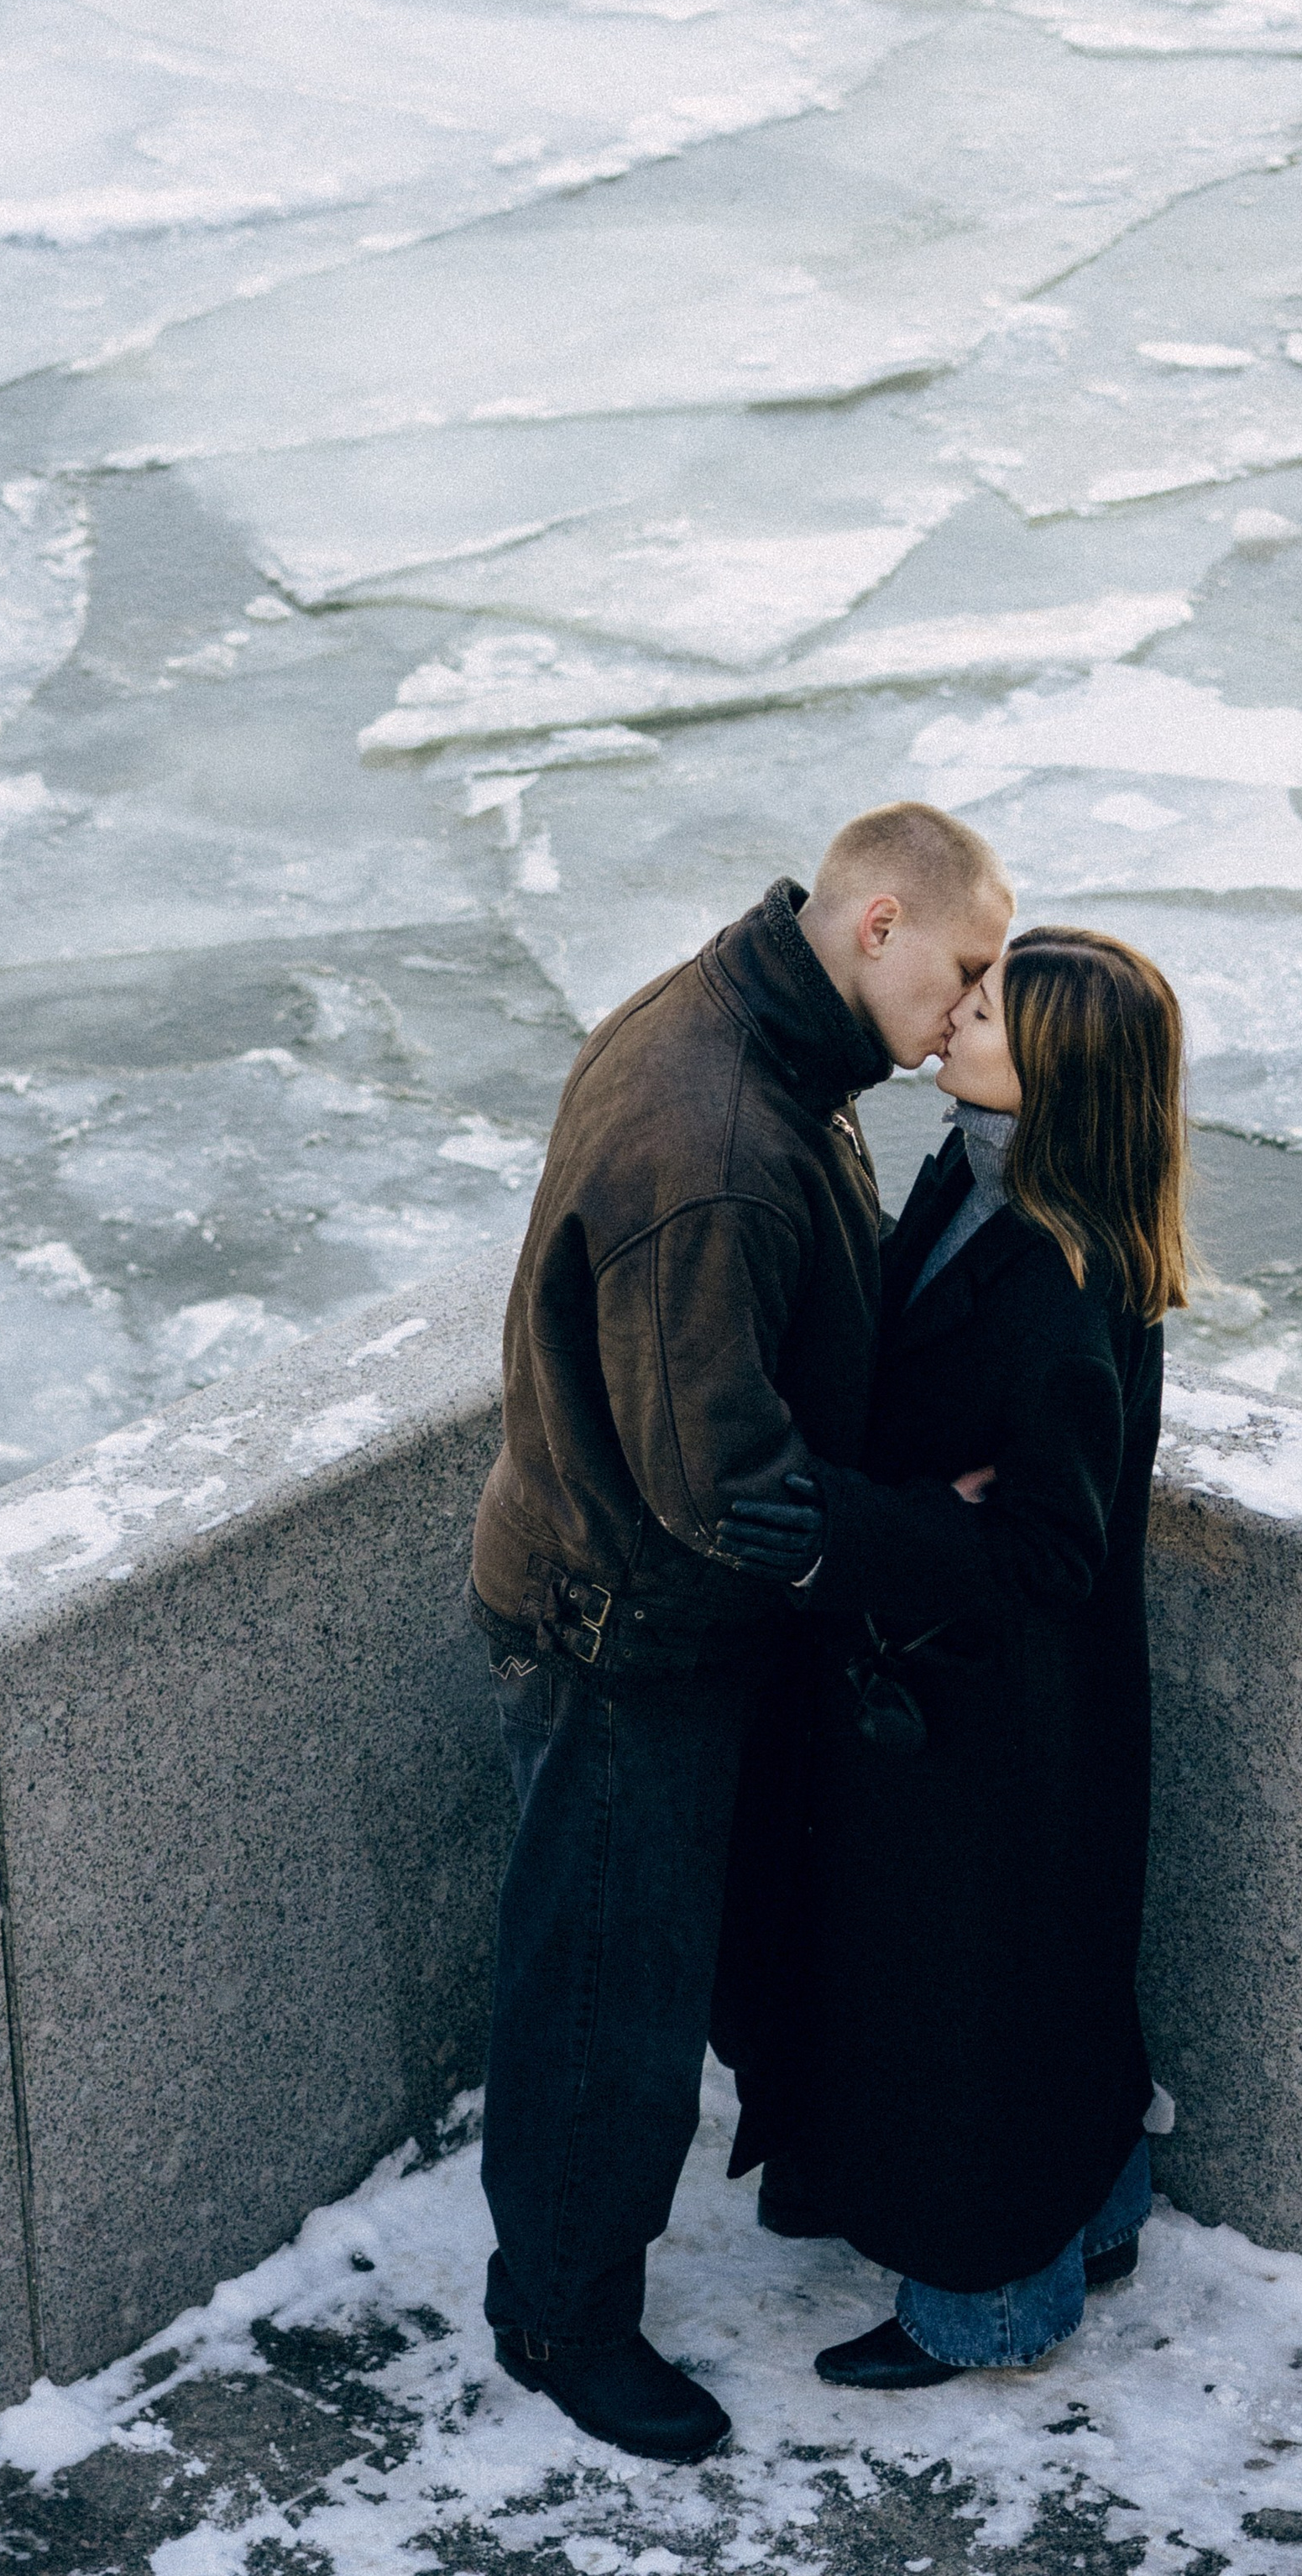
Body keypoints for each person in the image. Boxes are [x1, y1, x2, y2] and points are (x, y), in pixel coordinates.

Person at [467, 807, 1014, 2463]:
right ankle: (561, 2318)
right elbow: (723, 1487)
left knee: (684, 1949)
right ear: (876, 925)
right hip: (626, 1626)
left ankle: (798, 2172)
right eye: (968, 970)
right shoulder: (711, 1135)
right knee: (602, 1998)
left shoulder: (758, 1033)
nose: (975, 1010)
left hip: (665, 1602)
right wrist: (938, 1538)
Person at [722, 925, 1186, 2385]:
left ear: (1049, 1074)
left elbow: (1049, 1551)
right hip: (983, 1707)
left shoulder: (1055, 1281)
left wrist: (861, 1523)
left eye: (984, 1007)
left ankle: (988, 2306)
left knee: (980, 2006)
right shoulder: (994, 1171)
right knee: (1036, 1983)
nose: (951, 1011)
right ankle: (1099, 2213)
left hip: (992, 1726)